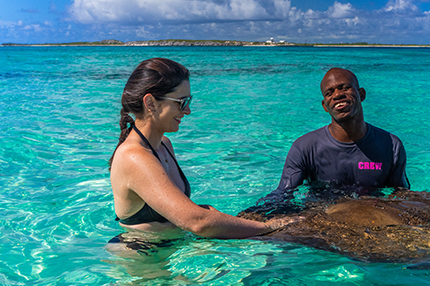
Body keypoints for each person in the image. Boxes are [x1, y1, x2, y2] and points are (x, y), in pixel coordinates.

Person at [109, 58, 294, 242]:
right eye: (181, 102)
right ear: (150, 103)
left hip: (169, 250)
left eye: (188, 101)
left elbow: (187, 216)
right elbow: (196, 222)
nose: (188, 110)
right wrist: (269, 228)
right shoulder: (133, 156)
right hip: (142, 260)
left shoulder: (164, 144)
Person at [261, 67, 409, 206]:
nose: (337, 95)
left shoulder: (391, 146)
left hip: (371, 220)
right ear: (325, 106)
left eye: (345, 88)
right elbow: (283, 195)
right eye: (329, 93)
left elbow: (401, 197)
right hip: (322, 221)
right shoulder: (305, 147)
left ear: (361, 94)